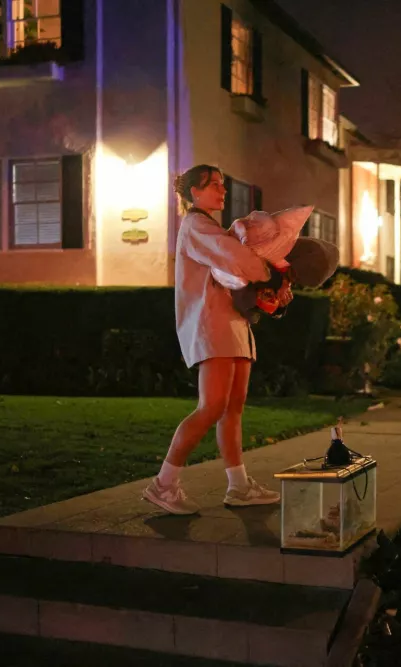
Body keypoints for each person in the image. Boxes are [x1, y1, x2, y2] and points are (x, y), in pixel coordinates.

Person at [142, 164, 286, 515]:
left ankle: (238, 486)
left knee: (231, 408)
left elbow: (234, 271)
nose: (222, 191)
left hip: (232, 325)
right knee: (212, 406)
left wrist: (269, 287)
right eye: (214, 186)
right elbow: (237, 259)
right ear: (194, 192)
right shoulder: (197, 226)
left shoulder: (210, 227)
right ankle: (163, 484)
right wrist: (273, 275)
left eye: (222, 185)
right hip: (212, 325)